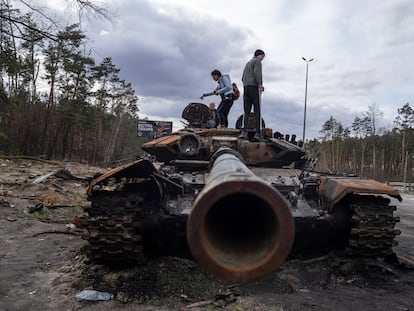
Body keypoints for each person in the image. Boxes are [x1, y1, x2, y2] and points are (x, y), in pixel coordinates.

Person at [239, 49, 265, 142]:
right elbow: (257, 73)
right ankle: (258, 133)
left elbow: (242, 78)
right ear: (260, 55)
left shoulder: (248, 63)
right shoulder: (257, 62)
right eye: (263, 57)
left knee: (247, 111)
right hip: (254, 87)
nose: (263, 59)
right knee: (257, 111)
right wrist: (260, 84)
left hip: (246, 88)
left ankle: (244, 132)